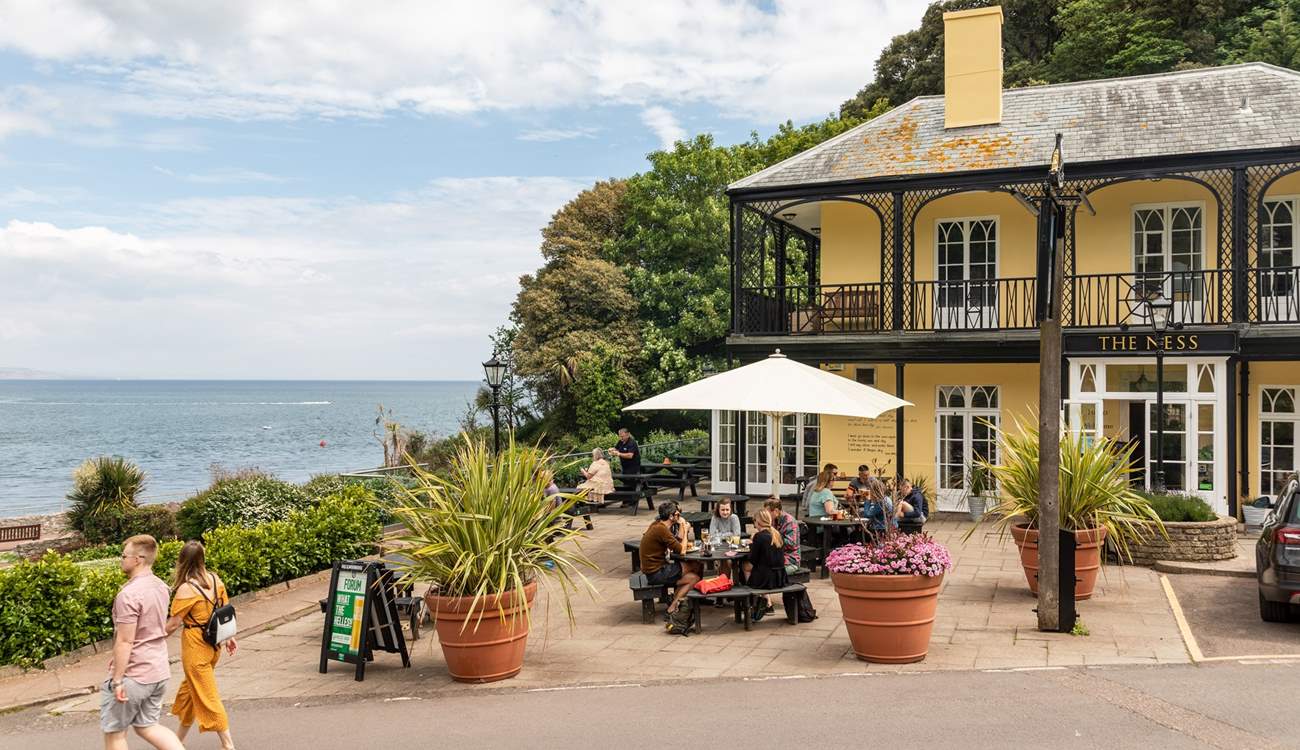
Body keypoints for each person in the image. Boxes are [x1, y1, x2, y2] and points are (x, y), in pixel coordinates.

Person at [101, 534, 184, 750]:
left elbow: (125, 640)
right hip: (158, 669)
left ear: (137, 559)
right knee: (148, 726)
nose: (121, 560)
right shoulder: (161, 587)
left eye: (123, 555)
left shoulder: (128, 595)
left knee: (115, 733)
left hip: (135, 673)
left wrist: (117, 680)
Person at [166, 541, 237, 750]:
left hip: (195, 647)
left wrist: (148, 639)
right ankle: (176, 742)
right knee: (191, 691)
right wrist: (230, 637)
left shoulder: (186, 589)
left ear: (182, 561)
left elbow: (173, 624)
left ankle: (228, 745)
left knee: (207, 696)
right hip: (214, 646)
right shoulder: (215, 580)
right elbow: (225, 611)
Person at [639, 501, 701, 614]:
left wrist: (682, 526)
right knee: (695, 566)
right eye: (677, 514)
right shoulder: (661, 529)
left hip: (653, 570)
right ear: (671, 516)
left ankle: (677, 600)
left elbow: (676, 543)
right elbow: (681, 550)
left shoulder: (657, 525)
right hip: (656, 573)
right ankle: (674, 605)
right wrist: (685, 528)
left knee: (693, 575)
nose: (680, 516)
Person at [742, 509, 788, 622]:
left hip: (766, 579)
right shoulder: (777, 534)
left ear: (758, 522)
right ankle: (766, 601)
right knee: (755, 567)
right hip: (780, 577)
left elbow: (753, 559)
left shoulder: (759, 536)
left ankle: (756, 595)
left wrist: (752, 546)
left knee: (745, 565)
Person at [763, 497, 801, 574]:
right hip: (775, 556)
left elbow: (791, 543)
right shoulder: (772, 520)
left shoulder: (789, 521)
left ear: (776, 511)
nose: (765, 514)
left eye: (767, 512)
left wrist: (771, 538)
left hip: (790, 560)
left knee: (767, 572)